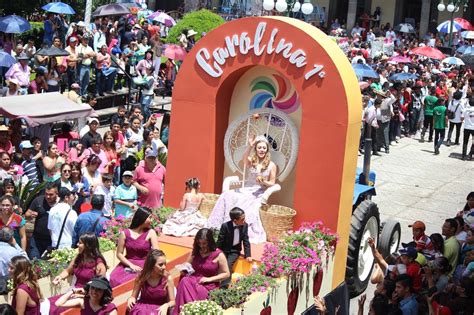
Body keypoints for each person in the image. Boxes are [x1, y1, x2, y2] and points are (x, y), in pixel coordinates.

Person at [207, 135, 277, 244]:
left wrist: (264, 182)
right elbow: (244, 158)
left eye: (264, 148)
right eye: (259, 148)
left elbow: (272, 182)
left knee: (243, 199)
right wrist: (250, 146)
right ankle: (220, 225)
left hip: (259, 191)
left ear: (267, 149)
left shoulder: (271, 165)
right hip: (247, 188)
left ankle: (237, 229)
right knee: (228, 194)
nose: (261, 150)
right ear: (256, 149)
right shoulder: (252, 160)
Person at [173, 228, 230, 315]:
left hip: (208, 284)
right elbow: (186, 264)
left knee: (198, 290)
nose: (201, 246)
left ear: (210, 242)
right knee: (184, 281)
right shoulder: (196, 251)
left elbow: (226, 274)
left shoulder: (219, 254)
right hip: (193, 279)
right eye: (199, 243)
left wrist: (209, 279)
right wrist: (184, 270)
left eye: (204, 243)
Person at [109, 207, 159, 288]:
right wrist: (131, 265)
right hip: (127, 263)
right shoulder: (125, 233)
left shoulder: (151, 232)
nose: (151, 220)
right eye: (149, 217)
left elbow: (157, 252)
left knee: (133, 281)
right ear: (142, 217)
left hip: (144, 264)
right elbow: (119, 254)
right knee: (115, 279)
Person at [127, 249, 175, 315]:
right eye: (160, 265)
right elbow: (133, 296)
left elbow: (173, 301)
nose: (164, 267)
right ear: (151, 265)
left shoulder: (167, 278)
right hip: (143, 307)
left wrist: (166, 305)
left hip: (160, 308)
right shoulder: (141, 277)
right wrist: (131, 299)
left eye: (165, 264)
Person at [216, 207, 252, 289]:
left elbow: (246, 240)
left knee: (228, 264)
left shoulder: (245, 226)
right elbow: (220, 240)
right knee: (217, 263)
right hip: (224, 250)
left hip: (234, 251)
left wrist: (248, 255)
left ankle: (224, 287)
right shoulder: (225, 226)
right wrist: (216, 252)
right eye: (242, 219)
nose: (244, 220)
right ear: (235, 220)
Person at [25, 182, 59, 258]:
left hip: (52, 240)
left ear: (57, 193)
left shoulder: (60, 204)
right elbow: (27, 213)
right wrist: (30, 214)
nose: (48, 196)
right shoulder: (38, 200)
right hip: (37, 239)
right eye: (46, 194)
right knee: (34, 260)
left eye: (51, 194)